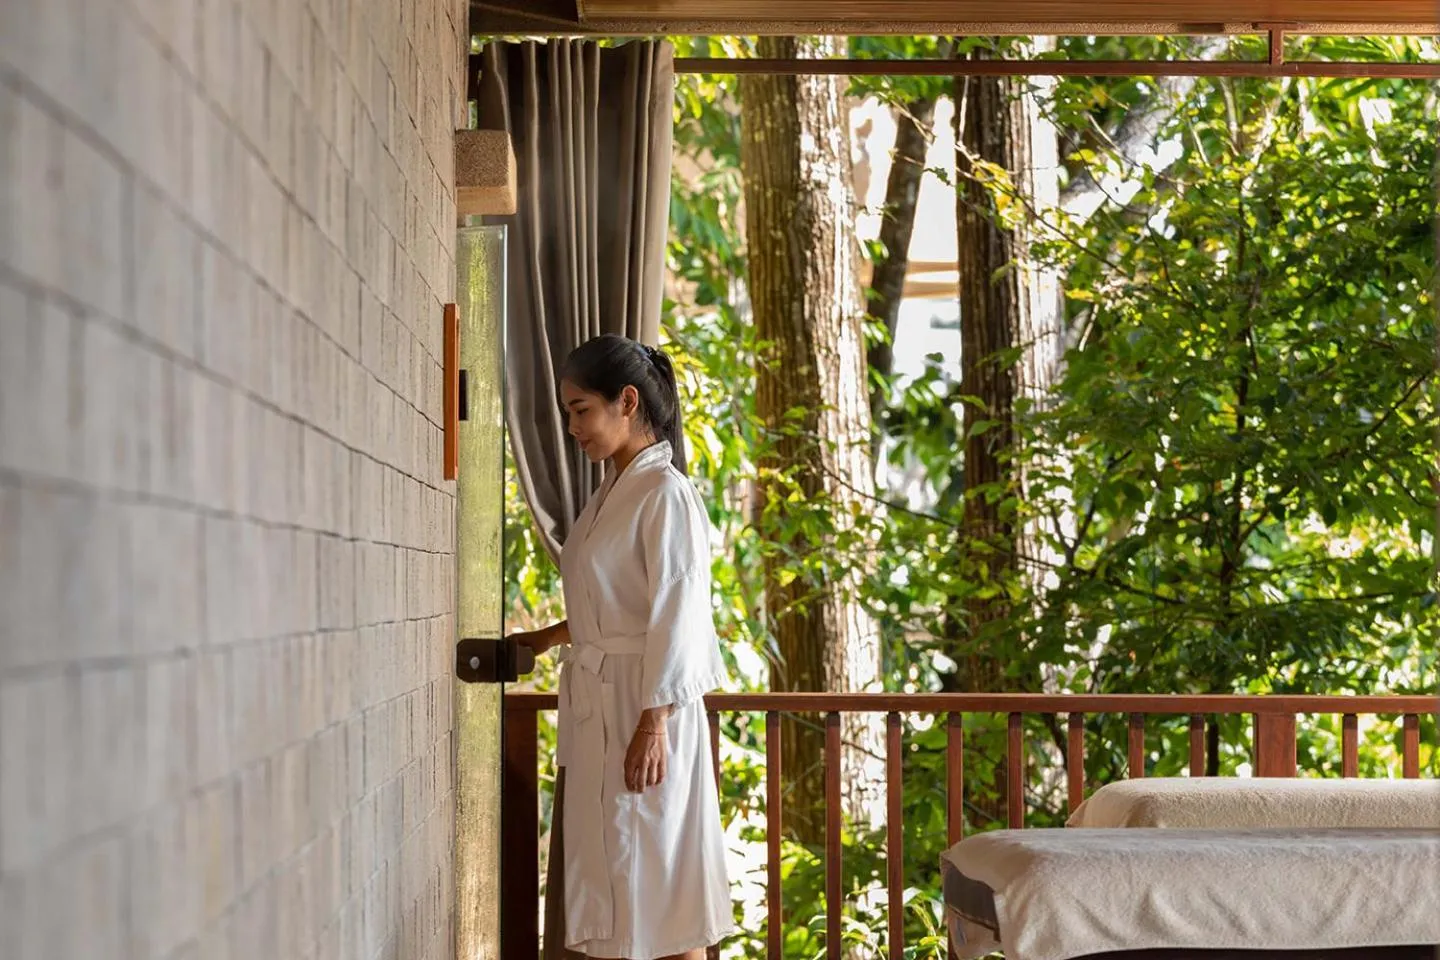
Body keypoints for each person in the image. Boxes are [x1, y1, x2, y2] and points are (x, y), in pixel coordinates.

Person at [509, 334, 734, 960]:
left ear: (626, 401)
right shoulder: (610, 493)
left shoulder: (665, 495)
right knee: (618, 877)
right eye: (568, 413)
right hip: (604, 707)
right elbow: (613, 605)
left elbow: (679, 612)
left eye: (581, 409)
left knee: (661, 884)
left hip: (643, 709)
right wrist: (550, 636)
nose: (573, 426)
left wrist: (654, 723)